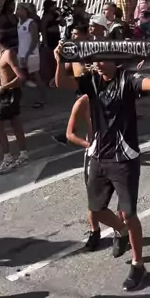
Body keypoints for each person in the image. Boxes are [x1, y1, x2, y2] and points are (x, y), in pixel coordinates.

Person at [55, 49, 150, 291]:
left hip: (124, 158)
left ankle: (138, 265)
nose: (98, 64)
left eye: (103, 60)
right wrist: (60, 60)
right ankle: (121, 230)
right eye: (95, 61)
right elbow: (61, 82)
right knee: (96, 209)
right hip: (98, 156)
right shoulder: (92, 81)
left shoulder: (128, 80)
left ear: (116, 61)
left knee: (128, 213)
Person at [65, 93, 102, 251]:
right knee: (93, 196)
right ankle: (95, 231)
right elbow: (70, 134)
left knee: (121, 192)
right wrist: (89, 145)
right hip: (95, 154)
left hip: (115, 151)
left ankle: (121, 229)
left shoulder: (113, 93)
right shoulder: (83, 102)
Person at [0, 30, 28, 173]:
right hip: (5, 94)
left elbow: (21, 77)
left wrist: (4, 86)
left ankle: (8, 158)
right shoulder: (2, 54)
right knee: (15, 123)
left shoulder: (8, 54)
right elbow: (5, 70)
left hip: (10, 94)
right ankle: (23, 154)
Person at [17, 3, 46, 108]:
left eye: (19, 9)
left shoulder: (31, 23)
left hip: (31, 54)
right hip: (21, 54)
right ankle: (19, 100)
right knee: (20, 77)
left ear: (25, 11)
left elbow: (34, 41)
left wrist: (27, 54)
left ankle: (42, 98)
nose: (17, 11)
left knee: (36, 76)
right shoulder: (19, 23)